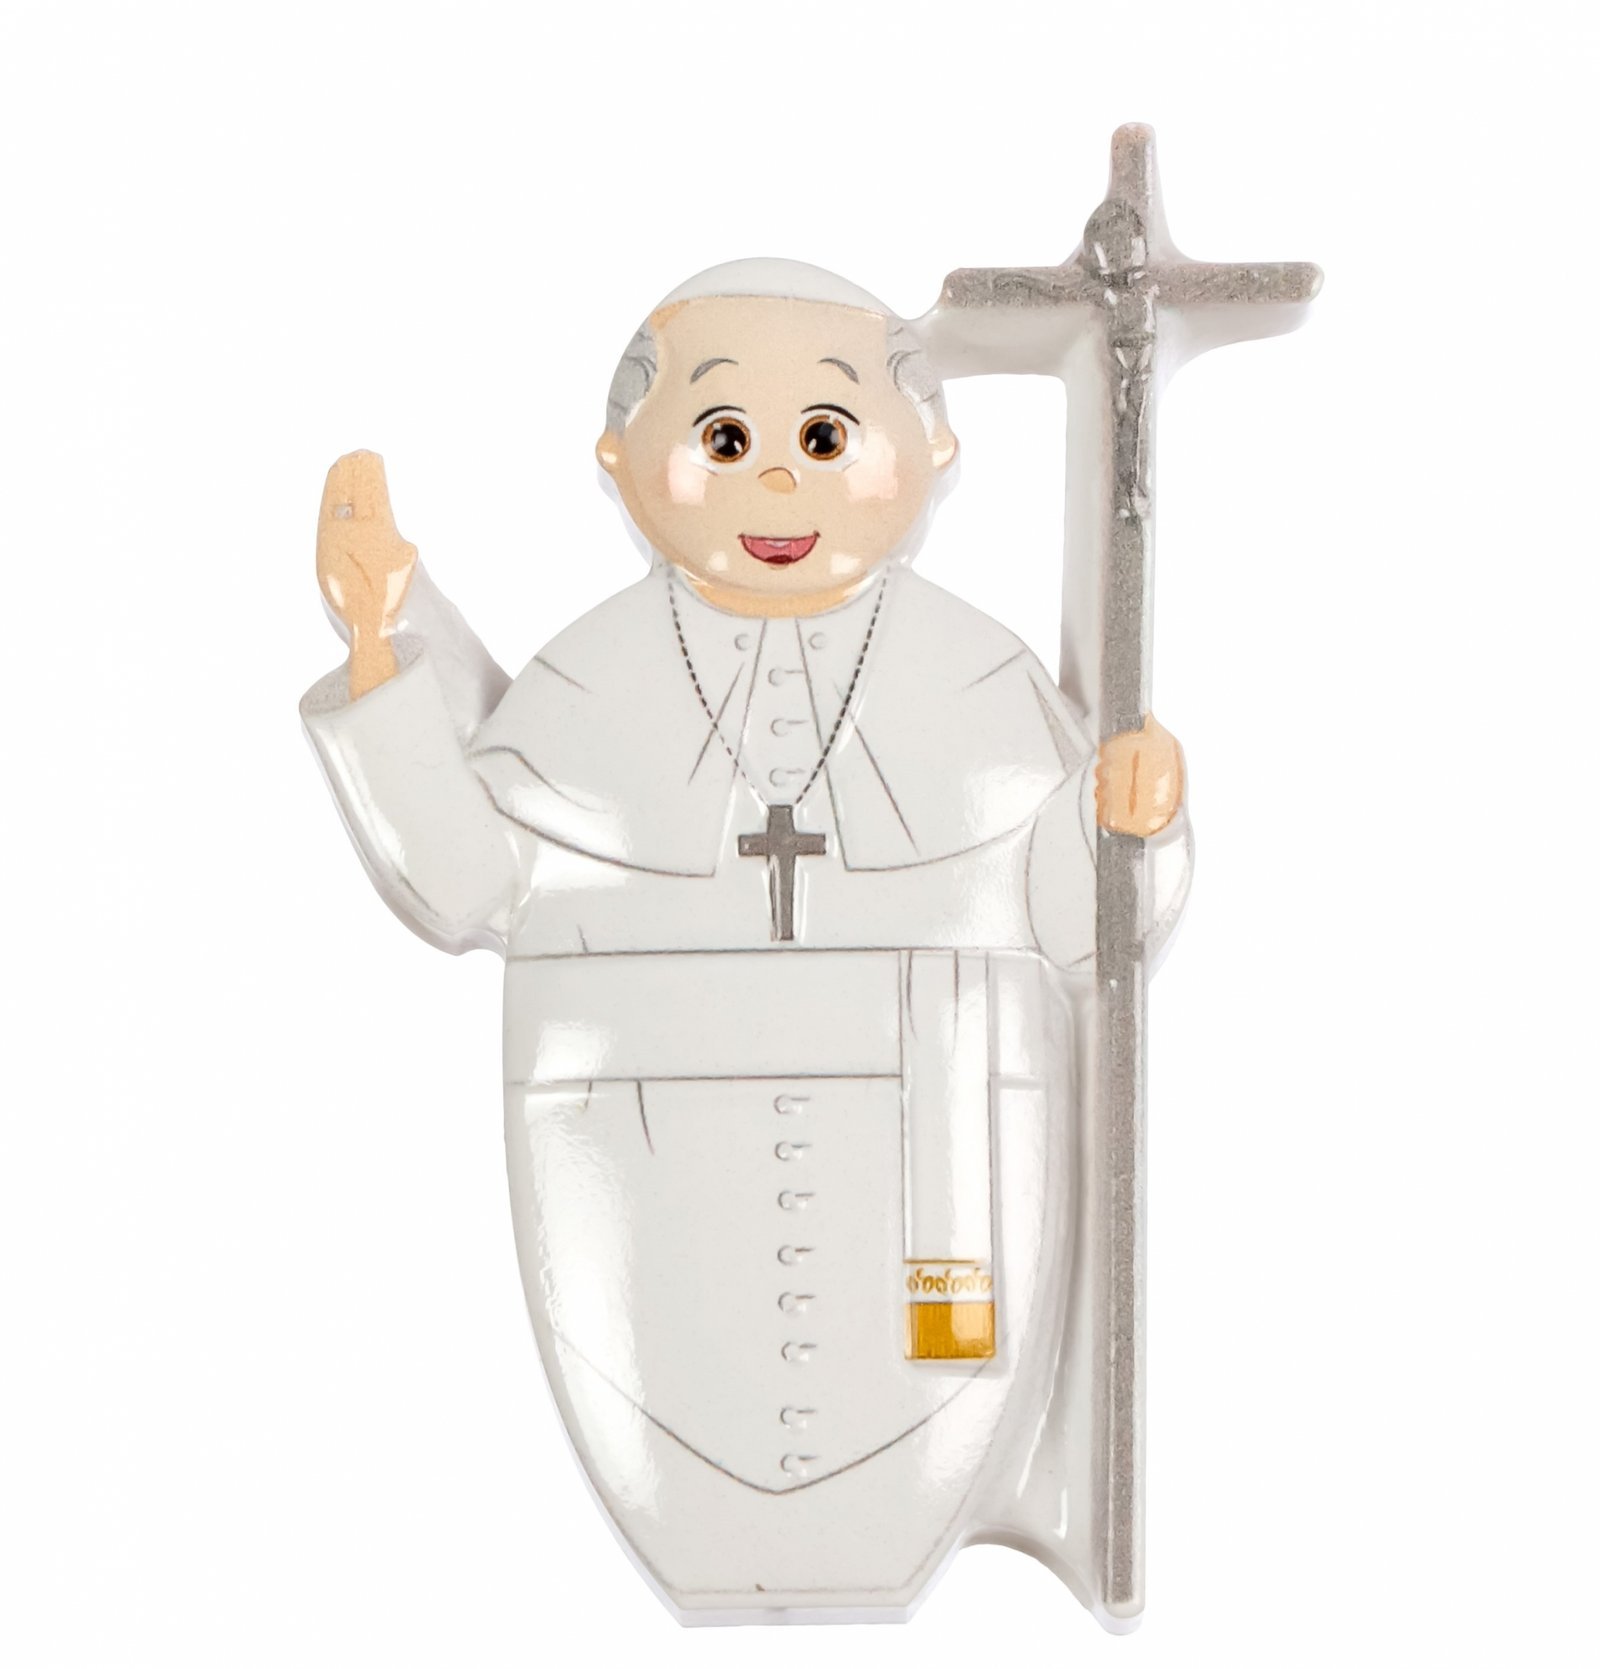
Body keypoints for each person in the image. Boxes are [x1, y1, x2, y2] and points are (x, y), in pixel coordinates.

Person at [302, 258, 1190, 1620]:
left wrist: (1134, 818)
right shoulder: (585, 688)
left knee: (929, 1342)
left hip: (932, 1130)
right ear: (619, 462)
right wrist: (378, 645)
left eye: (826, 437)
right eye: (725, 439)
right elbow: (466, 882)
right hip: (649, 1149)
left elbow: (1079, 924)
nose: (779, 480)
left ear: (933, 450)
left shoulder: (979, 680)